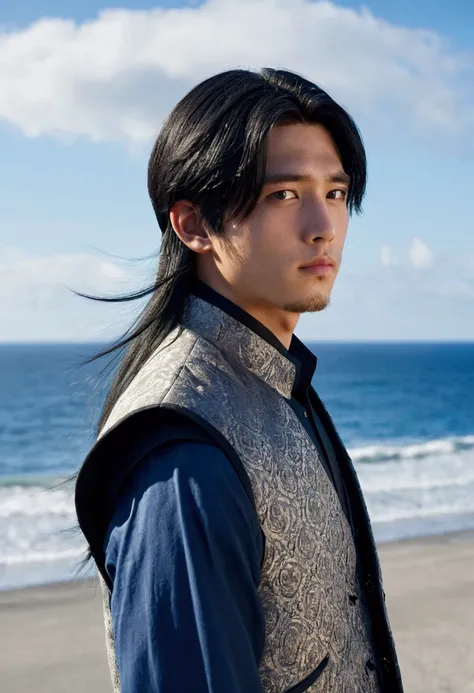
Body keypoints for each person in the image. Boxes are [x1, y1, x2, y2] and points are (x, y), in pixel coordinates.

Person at [75, 67, 404, 693]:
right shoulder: (181, 453)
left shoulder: (275, 381)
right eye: (284, 195)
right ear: (193, 224)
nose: (323, 226)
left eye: (335, 193)